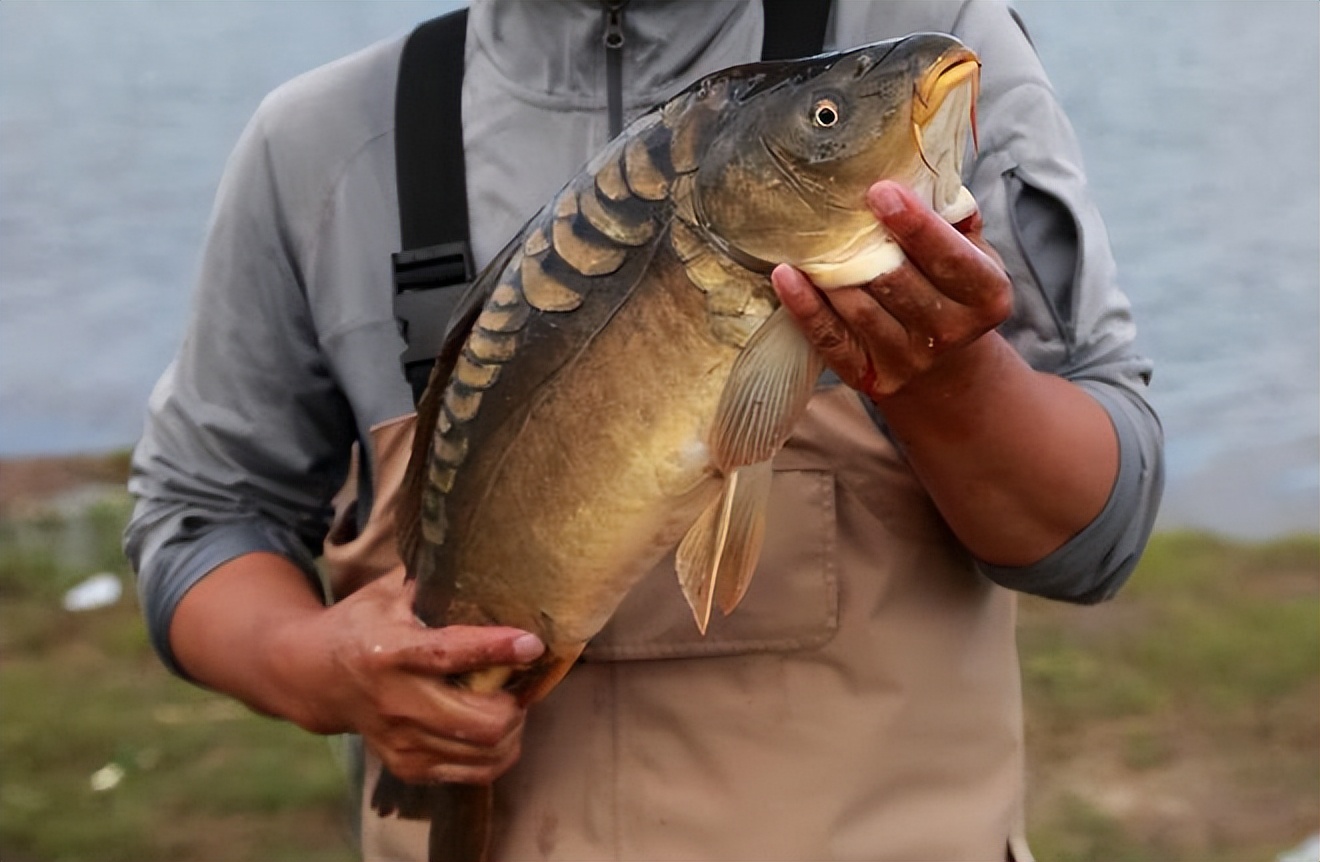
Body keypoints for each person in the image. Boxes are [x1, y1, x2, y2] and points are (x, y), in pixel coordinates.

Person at [124, 1, 1164, 860]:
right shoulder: (323, 142)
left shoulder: (928, 37)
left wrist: (950, 380)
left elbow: (1097, 535)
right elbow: (200, 515)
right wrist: (312, 661)